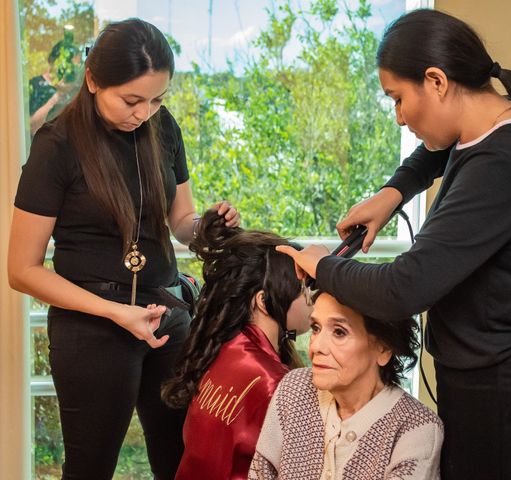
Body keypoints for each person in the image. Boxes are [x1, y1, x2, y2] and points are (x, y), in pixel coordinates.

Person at [276, 8, 511, 480]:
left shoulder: (503, 164)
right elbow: (435, 152)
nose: (399, 117)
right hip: (499, 372)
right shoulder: (489, 129)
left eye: (398, 99)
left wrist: (323, 266)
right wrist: (393, 192)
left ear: (436, 81)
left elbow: (405, 287)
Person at [8, 18, 239, 480]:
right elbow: (22, 270)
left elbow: (180, 223)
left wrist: (207, 227)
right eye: (132, 100)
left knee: (180, 462)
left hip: (166, 315)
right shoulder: (56, 146)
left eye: (157, 100)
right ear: (93, 80)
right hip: (92, 329)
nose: (144, 113)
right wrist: (115, 312)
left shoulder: (162, 127)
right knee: (90, 468)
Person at [161, 209, 313, 479]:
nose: (311, 299)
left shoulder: (219, 349)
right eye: (303, 290)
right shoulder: (275, 384)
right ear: (264, 301)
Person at [249, 291, 443, 479]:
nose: (316, 346)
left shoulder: (417, 428)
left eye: (339, 332)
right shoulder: (294, 388)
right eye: (316, 328)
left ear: (383, 348)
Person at [29, 34, 81, 136]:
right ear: (52, 60)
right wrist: (57, 97)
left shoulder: (75, 89)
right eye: (67, 64)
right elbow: (31, 126)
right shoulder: (36, 85)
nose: (69, 70)